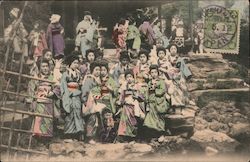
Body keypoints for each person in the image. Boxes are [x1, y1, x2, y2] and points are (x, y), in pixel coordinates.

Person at [117, 69, 146, 141]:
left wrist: (137, 96)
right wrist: (121, 101)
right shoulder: (124, 87)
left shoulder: (136, 86)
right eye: (127, 77)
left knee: (133, 121)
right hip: (126, 106)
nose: (129, 78)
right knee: (125, 122)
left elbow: (142, 97)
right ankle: (126, 136)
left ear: (133, 77)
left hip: (134, 106)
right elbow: (122, 96)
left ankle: (133, 137)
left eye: (130, 76)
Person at [61, 53, 84, 140]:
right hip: (69, 95)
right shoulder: (65, 73)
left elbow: (80, 85)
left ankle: (77, 133)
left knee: (77, 113)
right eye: (74, 63)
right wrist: (66, 95)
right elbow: (63, 85)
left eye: (77, 63)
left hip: (77, 95)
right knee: (70, 114)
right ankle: (68, 134)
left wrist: (80, 85)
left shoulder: (78, 73)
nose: (76, 65)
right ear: (70, 63)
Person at [28, 59, 54, 138]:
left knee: (48, 119)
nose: (45, 68)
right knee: (39, 118)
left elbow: (56, 88)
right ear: (39, 68)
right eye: (43, 66)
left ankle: (46, 136)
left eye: (46, 66)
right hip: (39, 101)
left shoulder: (51, 77)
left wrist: (52, 93)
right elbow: (31, 89)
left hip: (49, 101)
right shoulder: (36, 77)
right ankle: (37, 136)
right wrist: (31, 100)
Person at [143, 65, 169, 136]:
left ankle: (161, 133)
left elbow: (162, 90)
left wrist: (155, 89)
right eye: (152, 72)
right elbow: (147, 92)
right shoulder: (149, 82)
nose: (154, 74)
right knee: (150, 120)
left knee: (159, 119)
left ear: (158, 73)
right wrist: (147, 100)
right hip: (151, 103)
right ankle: (153, 135)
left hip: (159, 102)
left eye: (155, 72)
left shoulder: (161, 81)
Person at [81, 61, 101, 144]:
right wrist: (85, 101)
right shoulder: (89, 79)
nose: (98, 72)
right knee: (91, 119)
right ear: (92, 70)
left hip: (95, 101)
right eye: (96, 70)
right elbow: (85, 91)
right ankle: (89, 137)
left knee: (95, 119)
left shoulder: (97, 80)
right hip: (89, 101)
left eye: (99, 70)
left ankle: (93, 136)